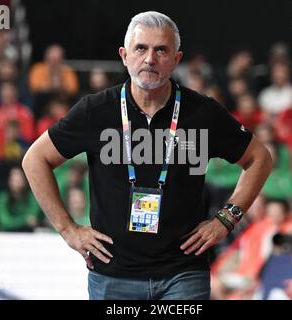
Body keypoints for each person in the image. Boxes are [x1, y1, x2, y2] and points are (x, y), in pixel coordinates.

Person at [22, 11, 273, 300]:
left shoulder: (202, 112)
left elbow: (260, 159)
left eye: (161, 50)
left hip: (183, 274)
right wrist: (68, 229)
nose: (150, 59)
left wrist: (226, 219)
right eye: (141, 48)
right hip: (112, 275)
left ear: (177, 59)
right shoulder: (96, 110)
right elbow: (34, 160)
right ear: (124, 55)